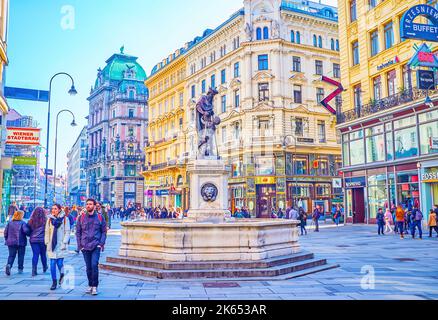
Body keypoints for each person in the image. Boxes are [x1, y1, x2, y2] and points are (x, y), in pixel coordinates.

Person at [76, 198, 107, 296]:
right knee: (88, 267)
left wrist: (100, 244)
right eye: (87, 204)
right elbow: (78, 232)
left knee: (94, 265)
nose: (88, 205)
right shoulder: (81, 218)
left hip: (95, 245)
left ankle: (95, 286)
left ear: (94, 206)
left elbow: (104, 231)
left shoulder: (100, 217)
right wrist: (80, 245)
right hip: (85, 246)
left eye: (90, 204)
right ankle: (90, 285)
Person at [45, 204, 71, 290]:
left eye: (55, 209)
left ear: (60, 210)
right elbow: (47, 231)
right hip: (52, 244)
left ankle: (62, 274)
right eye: (52, 209)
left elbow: (67, 231)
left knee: (60, 263)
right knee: (52, 263)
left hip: (60, 244)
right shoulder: (49, 219)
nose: (53, 210)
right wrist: (47, 242)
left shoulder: (64, 219)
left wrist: (64, 242)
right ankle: (54, 282)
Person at [4, 210, 29, 276]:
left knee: (11, 255)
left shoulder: (10, 223)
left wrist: (7, 239)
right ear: (20, 215)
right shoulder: (23, 223)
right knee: (21, 256)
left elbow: (5, 232)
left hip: (11, 242)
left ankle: (9, 265)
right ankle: (20, 269)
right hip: (21, 242)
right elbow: (26, 231)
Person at [27, 207, 48, 276]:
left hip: (33, 240)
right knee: (43, 254)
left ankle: (34, 270)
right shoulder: (46, 220)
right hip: (43, 240)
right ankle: (44, 267)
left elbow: (28, 230)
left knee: (35, 254)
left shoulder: (31, 221)